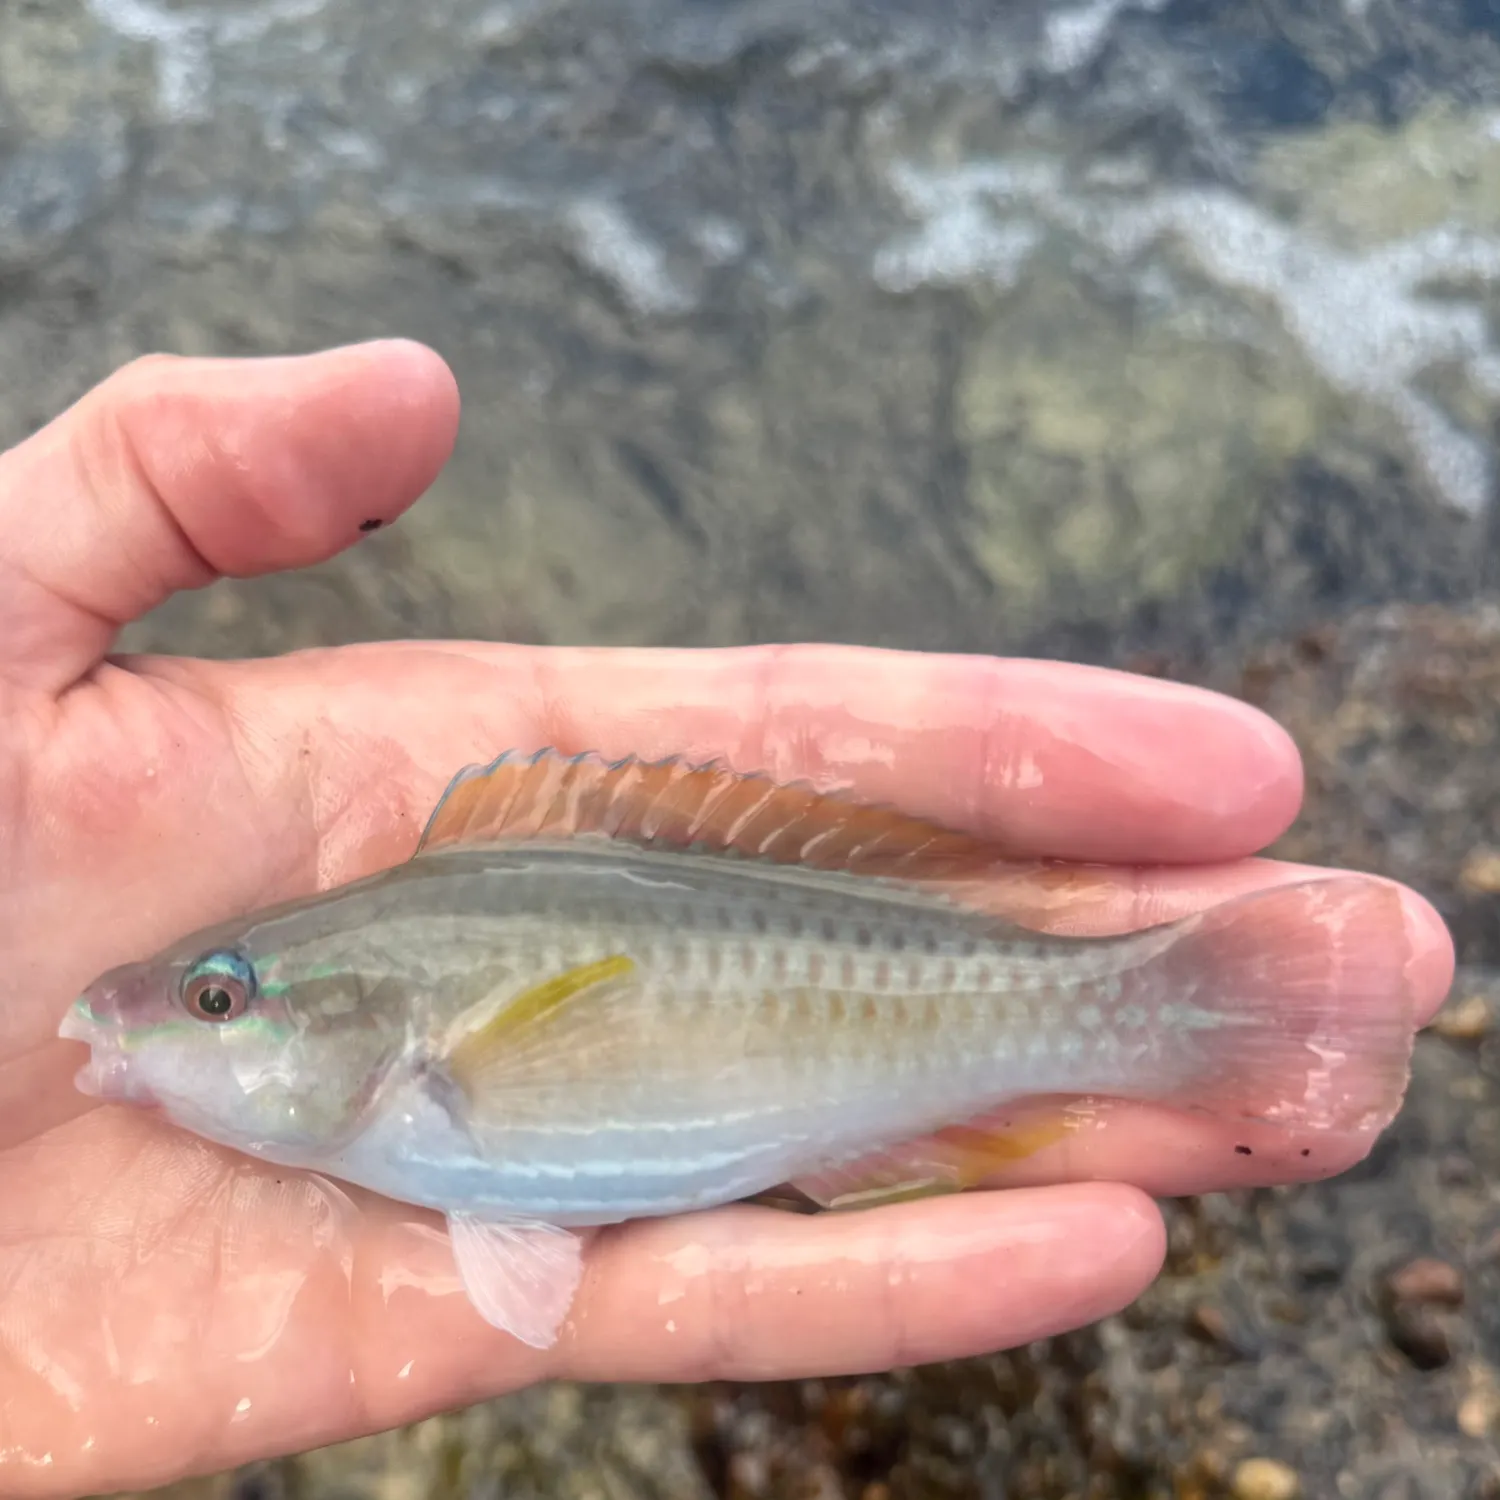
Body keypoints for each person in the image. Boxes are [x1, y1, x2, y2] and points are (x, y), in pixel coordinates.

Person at [0, 342, 1454, 1497]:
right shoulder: (389, 1033)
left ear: (369, 1018)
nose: (141, 1014)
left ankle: (1189, 1012)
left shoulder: (422, 1016)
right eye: (211, 995)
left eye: (213, 998)